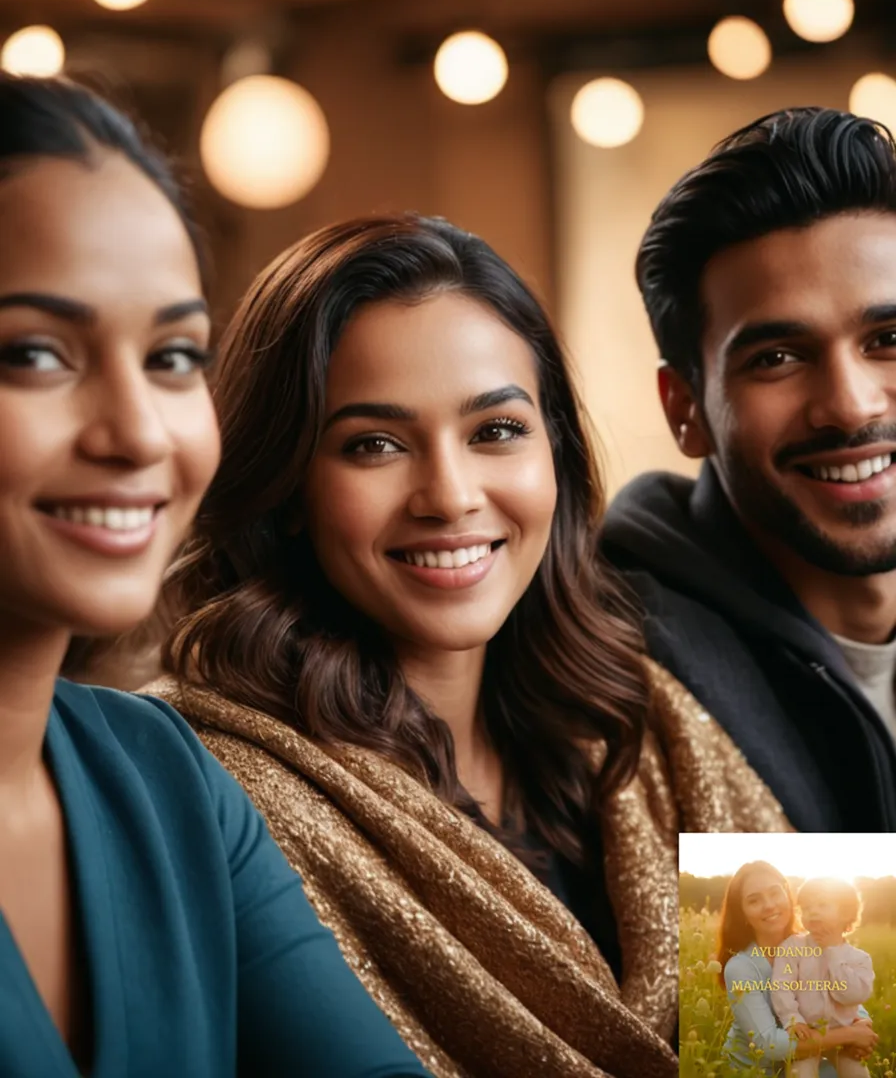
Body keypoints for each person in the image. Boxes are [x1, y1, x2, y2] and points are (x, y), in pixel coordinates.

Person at [148, 213, 791, 1078]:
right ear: (288, 486)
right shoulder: (209, 791)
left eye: (495, 431)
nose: (449, 496)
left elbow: (836, 1051)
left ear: (555, 456)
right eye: (374, 445)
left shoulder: (655, 720)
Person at [0, 72, 432, 1078]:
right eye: (33, 352)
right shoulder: (232, 765)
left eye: (172, 354)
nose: (139, 430)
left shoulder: (159, 775)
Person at [600, 107, 896, 831]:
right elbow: (795, 951)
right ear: (687, 409)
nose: (852, 407)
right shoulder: (626, 676)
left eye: (888, 339)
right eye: (777, 358)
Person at [717, 863, 877, 1075]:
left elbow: (839, 993)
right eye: (754, 900)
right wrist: (850, 1035)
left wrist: (862, 1022)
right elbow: (769, 1044)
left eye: (775, 893)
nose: (769, 905)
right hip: (757, 1069)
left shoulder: (815, 942)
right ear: (743, 913)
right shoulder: (741, 967)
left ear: (788, 895)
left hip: (810, 1054)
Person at [770, 877, 874, 1078]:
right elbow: (781, 987)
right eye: (807, 908)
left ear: (846, 914)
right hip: (807, 1033)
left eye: (822, 905)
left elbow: (852, 996)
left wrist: (832, 952)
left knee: (858, 1074)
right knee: (801, 1074)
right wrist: (793, 1020)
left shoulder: (859, 959)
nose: (813, 912)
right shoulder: (792, 948)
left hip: (844, 1037)